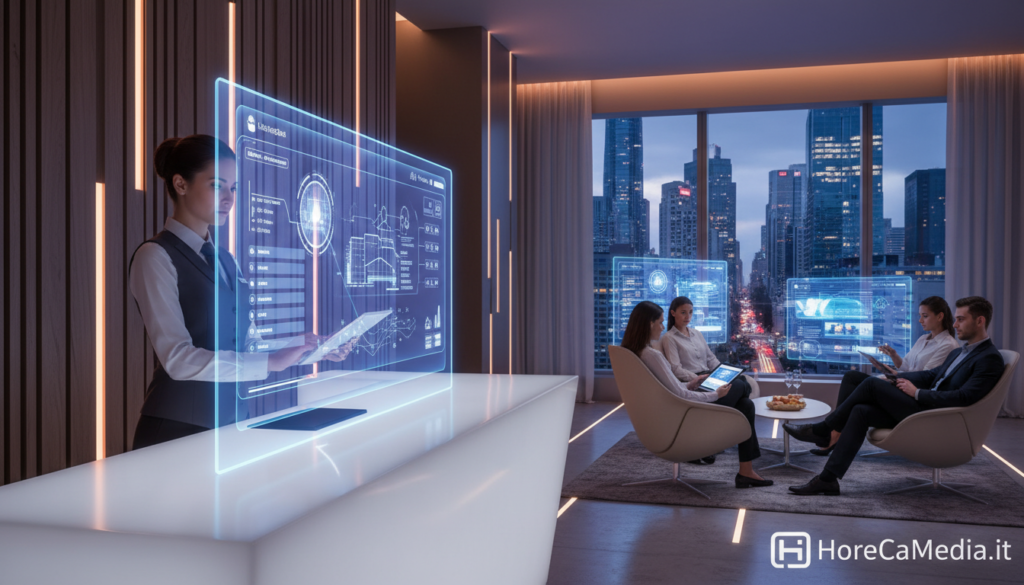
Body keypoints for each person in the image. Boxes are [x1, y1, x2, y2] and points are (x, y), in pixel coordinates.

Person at [129, 135, 353, 449]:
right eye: (216, 186)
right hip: (176, 432)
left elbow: (247, 343)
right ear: (180, 184)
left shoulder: (226, 259)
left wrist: (308, 349)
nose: (229, 199)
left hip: (230, 426)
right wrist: (271, 362)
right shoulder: (154, 257)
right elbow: (177, 358)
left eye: (233, 188)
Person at [784, 296, 1005, 496]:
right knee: (860, 411)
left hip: (936, 416)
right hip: (924, 407)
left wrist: (917, 392)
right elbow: (930, 375)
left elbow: (965, 397)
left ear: (980, 321)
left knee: (870, 384)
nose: (955, 325)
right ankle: (828, 479)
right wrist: (895, 379)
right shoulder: (959, 352)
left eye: (960, 320)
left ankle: (824, 430)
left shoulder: (988, 358)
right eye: (955, 319)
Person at [621, 301, 773, 488]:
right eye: (660, 322)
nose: (662, 327)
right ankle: (741, 467)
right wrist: (715, 395)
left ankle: (745, 472)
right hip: (685, 416)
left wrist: (692, 383)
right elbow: (678, 393)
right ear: (649, 324)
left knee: (746, 405)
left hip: (677, 409)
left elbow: (672, 388)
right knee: (742, 387)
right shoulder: (653, 355)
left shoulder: (637, 354)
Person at [812, 296, 961, 456]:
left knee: (866, 385)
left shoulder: (948, 345)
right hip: (903, 384)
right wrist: (894, 358)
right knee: (851, 377)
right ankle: (835, 433)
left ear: (940, 316)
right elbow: (907, 366)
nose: (920, 320)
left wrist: (894, 376)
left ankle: (832, 432)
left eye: (925, 316)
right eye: (920, 316)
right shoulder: (923, 339)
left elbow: (925, 377)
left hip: (913, 395)